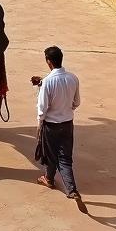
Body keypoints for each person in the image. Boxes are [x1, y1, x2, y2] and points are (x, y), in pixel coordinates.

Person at [32, 46, 82, 199]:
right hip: (67, 124)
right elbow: (76, 102)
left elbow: (42, 108)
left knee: (52, 155)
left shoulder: (47, 82)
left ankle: (71, 189)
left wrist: (39, 124)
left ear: (48, 62)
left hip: (51, 126)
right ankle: (49, 179)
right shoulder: (73, 78)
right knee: (64, 156)